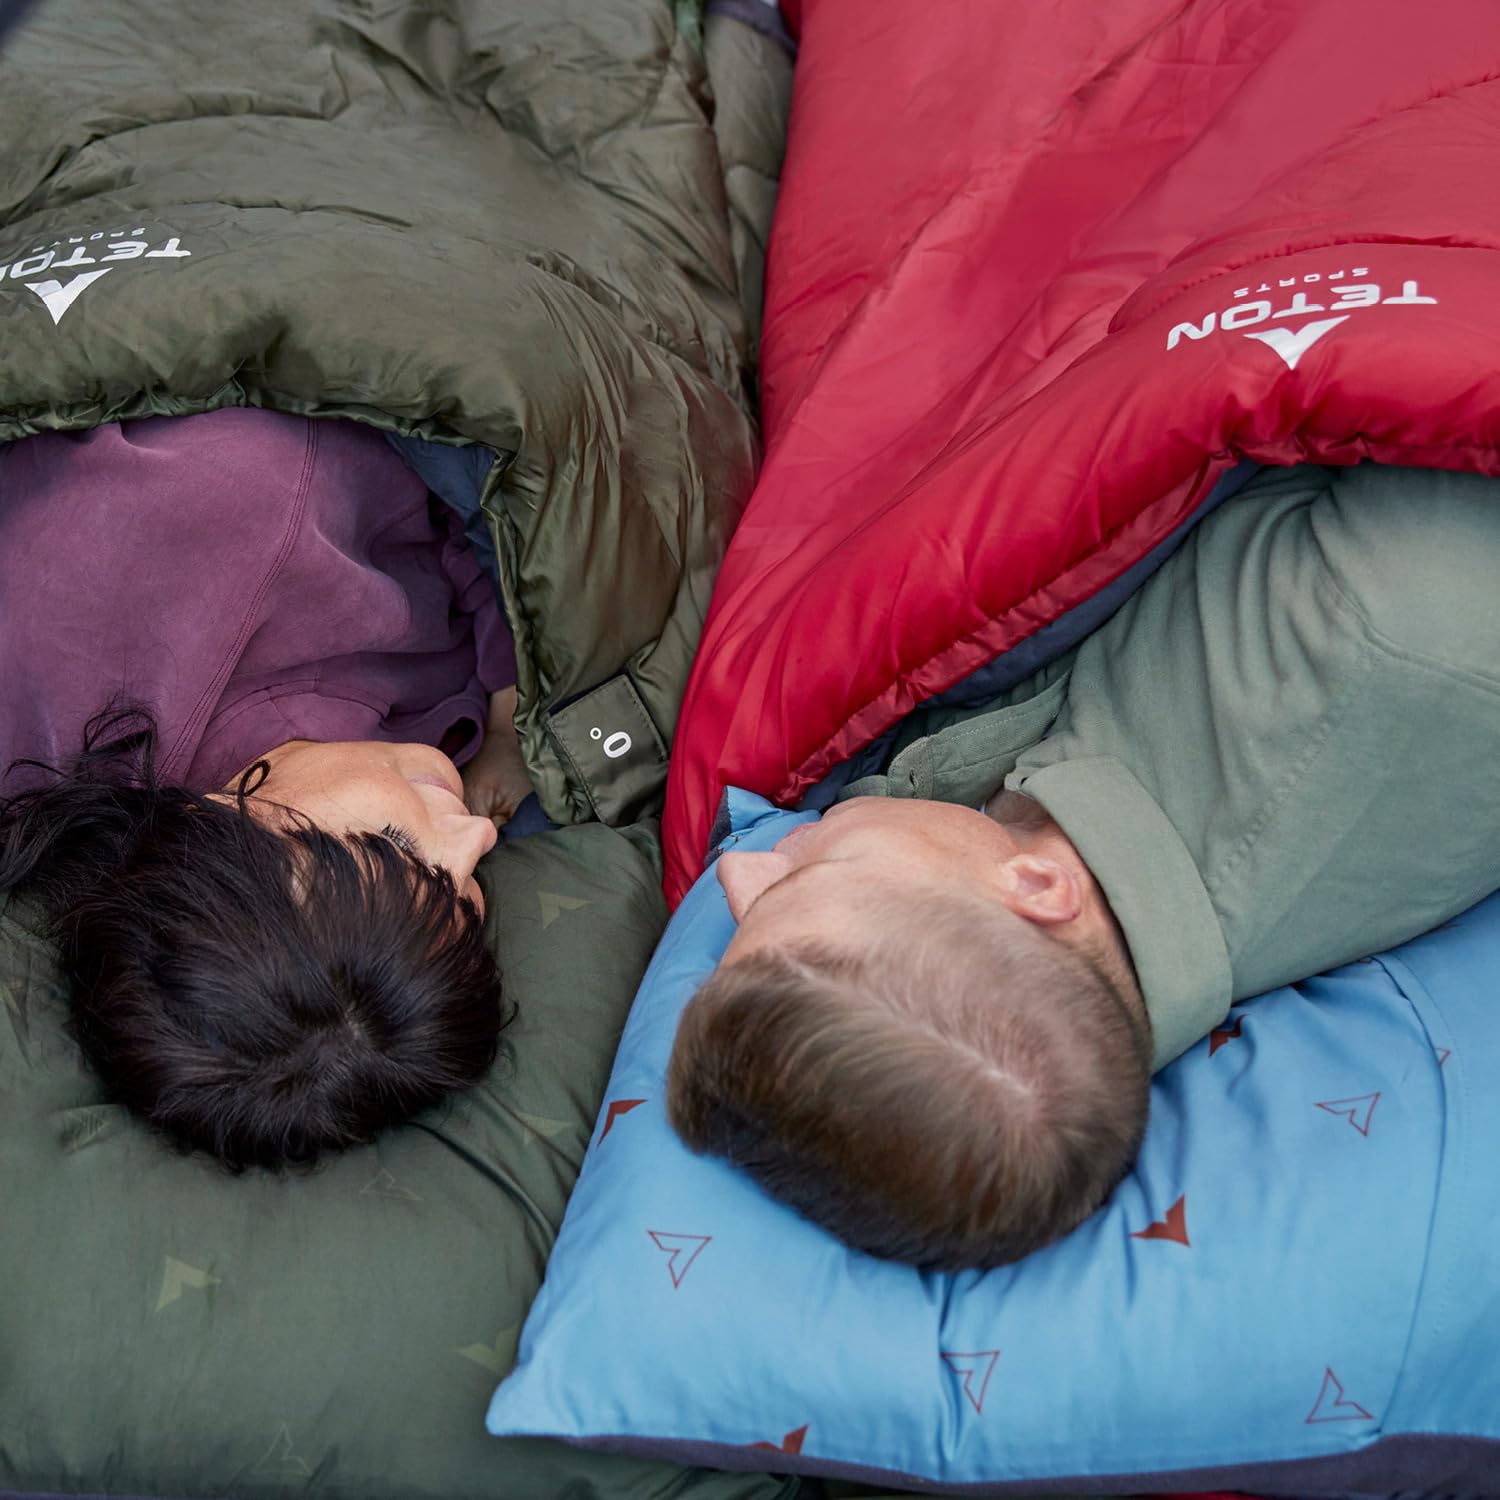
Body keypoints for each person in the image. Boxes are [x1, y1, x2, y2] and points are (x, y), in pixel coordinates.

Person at [667, 461, 1500, 1269]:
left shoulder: (1052, 917)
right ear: (1037, 889)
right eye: (803, 882)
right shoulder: (1398, 620)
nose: (738, 874)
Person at [0, 407, 537, 1169]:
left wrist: (510, 714)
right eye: (463, 903)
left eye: (396, 846)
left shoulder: (243, 504)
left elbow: (431, 423)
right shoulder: (351, 783)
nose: (476, 837)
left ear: (230, 818)